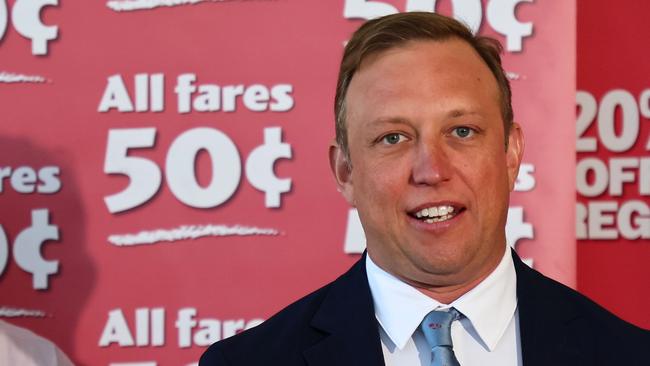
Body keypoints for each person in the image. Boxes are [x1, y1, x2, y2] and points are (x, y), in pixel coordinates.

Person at [200, 12, 650, 366]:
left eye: (462, 131)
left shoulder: (629, 355)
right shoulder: (247, 362)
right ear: (345, 173)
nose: (431, 170)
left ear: (511, 152)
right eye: (393, 138)